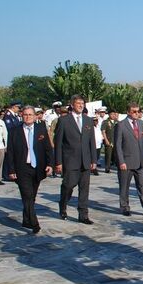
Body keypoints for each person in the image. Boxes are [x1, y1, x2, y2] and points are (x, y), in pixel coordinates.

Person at [5, 106, 53, 234]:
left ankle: (26, 219)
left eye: (30, 114)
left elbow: (48, 148)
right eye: (25, 114)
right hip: (22, 168)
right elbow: (10, 152)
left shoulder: (41, 129)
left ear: (35, 116)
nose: (28, 117)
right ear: (22, 115)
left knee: (32, 197)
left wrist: (50, 164)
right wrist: (11, 170)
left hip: (37, 168)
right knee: (27, 195)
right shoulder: (15, 131)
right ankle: (34, 223)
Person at [54, 95, 97, 224]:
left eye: (82, 103)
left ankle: (83, 215)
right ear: (72, 105)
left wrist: (93, 160)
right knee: (68, 185)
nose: (80, 105)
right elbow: (58, 143)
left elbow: (92, 142)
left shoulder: (88, 120)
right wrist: (58, 162)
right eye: (78, 103)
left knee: (84, 189)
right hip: (70, 160)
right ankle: (63, 204)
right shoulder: (64, 120)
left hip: (85, 160)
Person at [113, 102, 143, 217]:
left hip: (139, 161)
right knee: (124, 186)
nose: (137, 113)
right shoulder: (121, 125)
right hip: (126, 162)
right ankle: (124, 207)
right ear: (128, 112)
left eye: (138, 111)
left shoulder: (141, 123)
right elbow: (118, 145)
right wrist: (121, 161)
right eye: (134, 111)